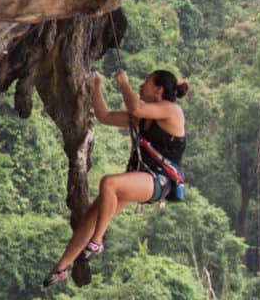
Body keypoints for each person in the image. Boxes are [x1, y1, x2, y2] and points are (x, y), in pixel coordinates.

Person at [43, 68, 188, 287]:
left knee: (109, 183)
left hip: (159, 181)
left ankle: (97, 242)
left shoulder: (172, 110)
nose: (140, 86)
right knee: (93, 214)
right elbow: (105, 117)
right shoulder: (144, 118)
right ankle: (61, 268)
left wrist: (123, 83)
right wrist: (96, 88)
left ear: (158, 90)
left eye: (146, 83)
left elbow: (137, 107)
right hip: (142, 177)